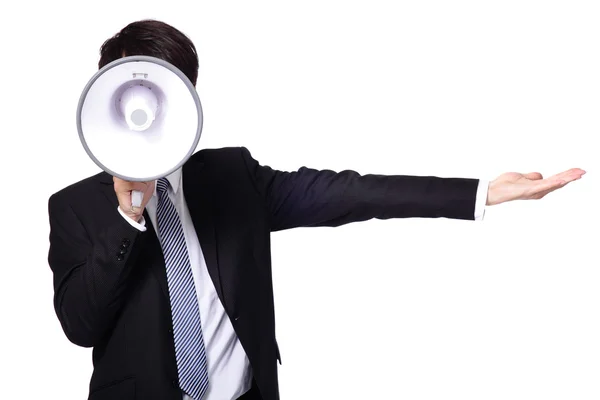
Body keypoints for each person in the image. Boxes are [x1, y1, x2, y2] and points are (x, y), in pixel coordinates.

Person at [47, 19, 585, 400]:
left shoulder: (233, 177)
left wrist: (481, 192)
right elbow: (80, 326)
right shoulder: (73, 207)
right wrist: (127, 219)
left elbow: (354, 193)